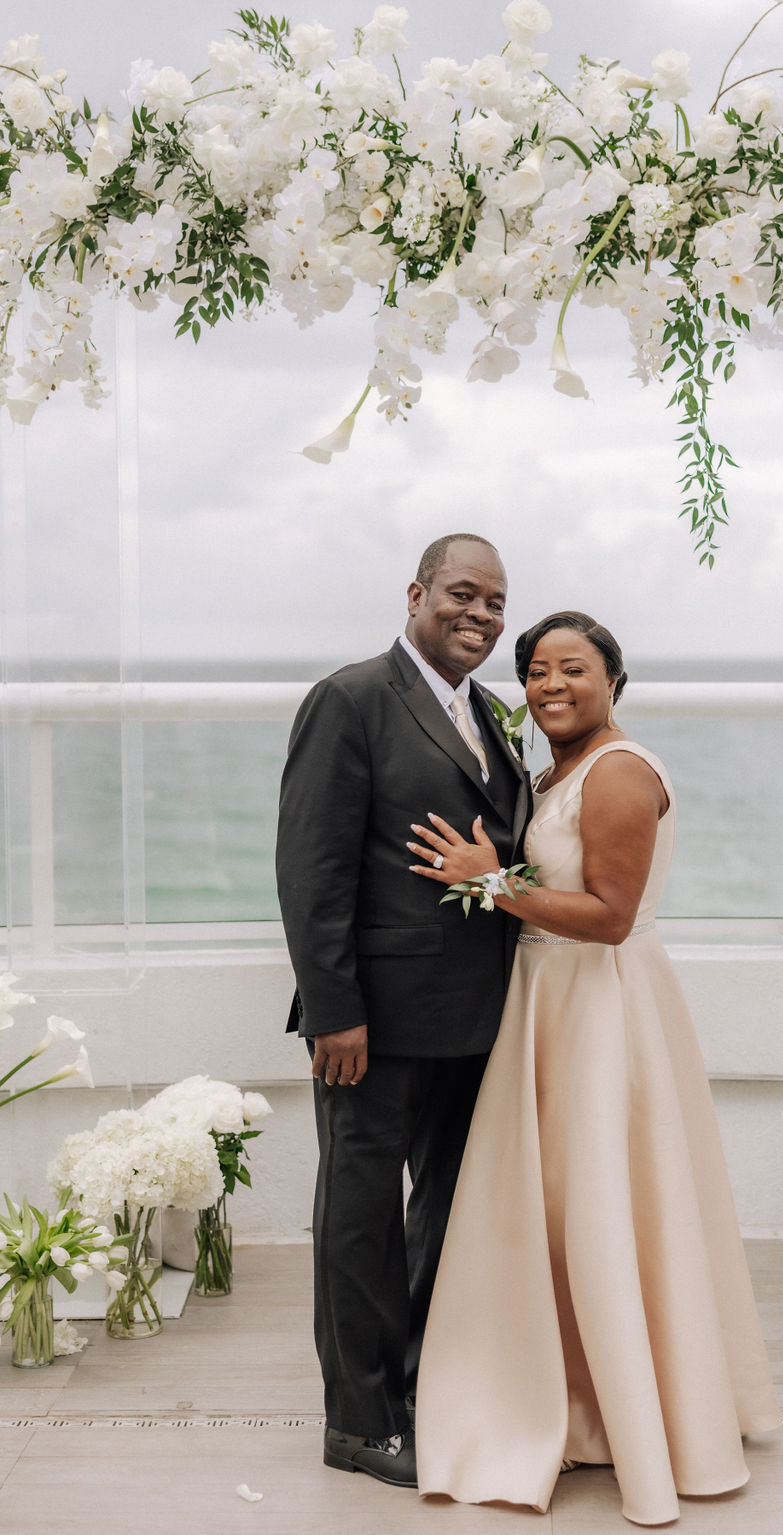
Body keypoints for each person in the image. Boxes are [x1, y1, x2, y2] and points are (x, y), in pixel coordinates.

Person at [408, 610, 782, 1528]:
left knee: (607, 1208)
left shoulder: (617, 772)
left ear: (614, 679)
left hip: (601, 1004)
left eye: (572, 668)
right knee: (561, 1213)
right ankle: (580, 1405)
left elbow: (612, 913)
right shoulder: (553, 772)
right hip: (550, 1000)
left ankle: (634, 1422)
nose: (550, 686)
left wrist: (490, 880)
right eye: (535, 671)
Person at [275, 534, 530, 1489]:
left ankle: (421, 1385)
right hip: (371, 1026)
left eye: (496, 603)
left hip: (474, 1019)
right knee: (361, 1218)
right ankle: (360, 1419)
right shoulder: (350, 700)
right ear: (417, 592)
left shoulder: (492, 713)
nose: (481, 615)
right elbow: (312, 869)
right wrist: (335, 1009)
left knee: (450, 1215)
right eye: (463, 594)